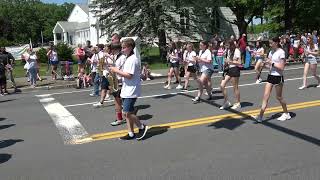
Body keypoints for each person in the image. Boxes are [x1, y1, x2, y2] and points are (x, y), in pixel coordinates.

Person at [109, 38, 148, 140]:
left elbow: (129, 75)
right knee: (127, 113)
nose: (122, 50)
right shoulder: (127, 58)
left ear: (130, 47)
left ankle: (142, 127)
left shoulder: (132, 59)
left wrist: (115, 70)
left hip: (132, 90)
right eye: (121, 48)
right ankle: (130, 133)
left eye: (124, 48)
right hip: (126, 89)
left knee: (127, 113)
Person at [254, 37, 291, 122]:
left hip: (278, 77)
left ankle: (286, 113)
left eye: (271, 43)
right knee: (265, 97)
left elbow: (281, 67)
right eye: (269, 43)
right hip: (270, 76)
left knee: (279, 97)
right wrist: (264, 64)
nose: (270, 45)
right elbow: (270, 67)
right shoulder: (271, 52)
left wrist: (271, 63)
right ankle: (260, 116)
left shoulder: (281, 52)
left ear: (276, 43)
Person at [219, 40, 241, 110]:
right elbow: (227, 61)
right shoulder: (228, 51)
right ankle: (227, 101)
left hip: (235, 69)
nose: (226, 47)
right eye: (225, 45)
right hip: (229, 69)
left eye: (227, 45)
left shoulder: (236, 51)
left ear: (231, 45)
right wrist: (226, 63)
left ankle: (238, 103)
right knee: (222, 85)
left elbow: (239, 62)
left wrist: (230, 61)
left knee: (235, 87)